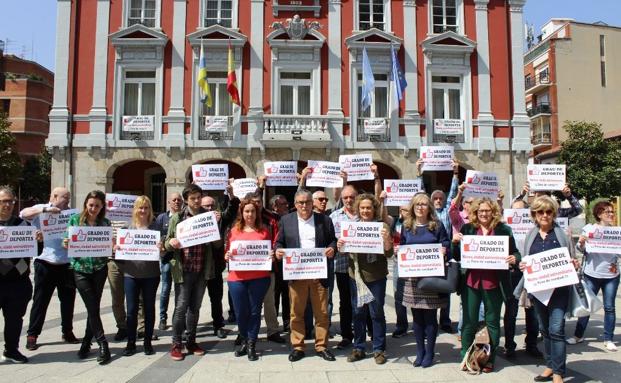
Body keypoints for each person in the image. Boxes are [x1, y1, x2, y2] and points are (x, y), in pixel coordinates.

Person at [452, 197, 520, 373]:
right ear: (475, 212)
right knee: (469, 322)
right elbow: (458, 256)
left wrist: (515, 258)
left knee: (492, 322)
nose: (484, 213)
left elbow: (515, 253)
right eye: (480, 210)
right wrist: (455, 243)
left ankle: (489, 360)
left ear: (493, 212)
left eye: (487, 210)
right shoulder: (467, 229)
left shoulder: (504, 230)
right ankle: (466, 357)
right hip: (471, 283)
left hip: (494, 283)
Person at [518, 196, 579, 383]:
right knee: (544, 330)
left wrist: (574, 264)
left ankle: (559, 372)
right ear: (534, 214)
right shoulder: (530, 235)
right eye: (540, 212)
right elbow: (525, 258)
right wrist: (523, 265)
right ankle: (550, 365)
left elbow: (573, 259)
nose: (545, 215)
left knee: (557, 329)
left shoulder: (562, 234)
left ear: (553, 213)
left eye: (548, 211)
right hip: (538, 291)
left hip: (559, 290)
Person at [275, 189, 338, 362]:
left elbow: (333, 240)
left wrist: (332, 248)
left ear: (313, 203)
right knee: (296, 313)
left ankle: (322, 346)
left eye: (307, 202)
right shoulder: (286, 220)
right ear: (295, 205)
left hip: (319, 274)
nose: (304, 205)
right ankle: (298, 346)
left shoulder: (324, 220)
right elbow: (279, 242)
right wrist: (277, 251)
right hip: (297, 274)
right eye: (300, 202)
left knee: (322, 313)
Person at [165, 184, 222, 361]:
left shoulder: (208, 217)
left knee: (195, 308)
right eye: (193, 198)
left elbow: (217, 245)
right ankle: (176, 343)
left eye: (198, 197)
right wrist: (171, 242)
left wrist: (216, 226)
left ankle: (191, 340)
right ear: (186, 200)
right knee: (181, 307)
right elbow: (167, 243)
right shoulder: (177, 218)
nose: (196, 201)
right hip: (184, 270)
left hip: (201, 269)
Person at [337, 193, 394, 365]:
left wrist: (386, 241)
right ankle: (359, 347)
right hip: (357, 277)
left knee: (376, 313)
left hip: (376, 277)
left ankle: (379, 349)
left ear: (374, 209)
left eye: (369, 207)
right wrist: (341, 246)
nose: (365, 210)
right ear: (358, 209)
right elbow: (345, 252)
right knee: (358, 313)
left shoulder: (382, 226)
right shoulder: (351, 227)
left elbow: (389, 253)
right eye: (362, 208)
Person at [21, 187, 80, 350]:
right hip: (45, 263)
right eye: (64, 197)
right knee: (40, 301)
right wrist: (46, 209)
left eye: (68, 197)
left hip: (67, 264)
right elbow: (23, 213)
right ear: (54, 197)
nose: (67, 200)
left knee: (68, 301)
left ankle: (67, 331)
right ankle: (32, 334)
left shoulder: (71, 214)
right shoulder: (41, 210)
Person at [400, 193, 450, 367]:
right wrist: (401, 251)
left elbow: (446, 243)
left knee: (430, 317)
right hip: (413, 278)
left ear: (429, 207)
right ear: (413, 207)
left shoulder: (436, 225)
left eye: (424, 204)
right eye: (417, 205)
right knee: (417, 318)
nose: (420, 207)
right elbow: (404, 246)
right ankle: (420, 352)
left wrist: (444, 249)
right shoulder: (407, 226)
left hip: (431, 277)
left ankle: (430, 353)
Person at [63, 190, 112, 364]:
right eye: (91, 205)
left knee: (94, 307)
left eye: (97, 206)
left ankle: (86, 342)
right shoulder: (75, 220)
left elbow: (108, 245)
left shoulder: (105, 223)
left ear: (102, 207)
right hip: (80, 269)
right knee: (92, 306)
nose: (93, 208)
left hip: (99, 268)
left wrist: (113, 245)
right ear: (86, 204)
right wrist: (66, 242)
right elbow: (65, 239)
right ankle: (103, 343)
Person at [225, 198, 273, 361]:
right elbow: (228, 251)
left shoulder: (264, 231)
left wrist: (271, 256)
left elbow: (270, 251)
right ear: (242, 213)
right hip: (236, 278)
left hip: (259, 278)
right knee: (240, 313)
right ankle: (244, 340)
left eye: (252, 211)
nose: (250, 214)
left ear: (257, 213)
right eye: (247, 211)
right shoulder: (233, 231)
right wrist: (227, 255)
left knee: (254, 312)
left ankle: (251, 344)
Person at [567, 201, 619, 351]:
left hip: (611, 275)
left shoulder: (616, 231)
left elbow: (617, 252)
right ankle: (578, 335)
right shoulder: (589, 229)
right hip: (592, 274)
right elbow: (581, 249)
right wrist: (581, 243)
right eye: (607, 212)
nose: (611, 215)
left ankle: (608, 338)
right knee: (586, 305)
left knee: (609, 307)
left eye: (612, 212)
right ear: (599, 214)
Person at [0, 185, 39, 363]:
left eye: (10, 201)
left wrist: (39, 241)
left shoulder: (23, 225)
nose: (7, 205)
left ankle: (11, 350)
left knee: (15, 319)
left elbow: (36, 251)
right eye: (3, 201)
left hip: (18, 282)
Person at [422, 159, 459, 334]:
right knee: (431, 287)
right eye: (435, 198)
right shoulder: (427, 214)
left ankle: (445, 320)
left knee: (445, 287)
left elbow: (453, 194)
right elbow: (420, 193)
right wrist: (419, 172)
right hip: (428, 256)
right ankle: (430, 320)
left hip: (446, 253)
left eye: (440, 198)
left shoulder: (446, 212)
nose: (437, 200)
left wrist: (456, 173)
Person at [120, 196, 161, 356]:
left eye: (146, 208)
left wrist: (161, 247)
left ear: (150, 210)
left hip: (151, 274)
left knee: (149, 308)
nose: (143, 211)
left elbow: (163, 248)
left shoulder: (155, 227)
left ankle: (147, 342)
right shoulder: (127, 228)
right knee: (131, 310)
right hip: (131, 274)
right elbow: (119, 251)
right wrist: (117, 246)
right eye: (140, 207)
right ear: (135, 209)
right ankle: (131, 343)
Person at [503, 198, 542, 358]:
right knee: (511, 311)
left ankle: (531, 344)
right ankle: (509, 346)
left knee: (532, 311)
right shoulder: (505, 228)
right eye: (514, 211)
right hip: (513, 273)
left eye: (521, 211)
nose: (517, 214)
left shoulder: (536, 228)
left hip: (532, 272)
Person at [247, 191, 286, 344]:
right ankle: (246, 332)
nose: (257, 205)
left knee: (269, 302)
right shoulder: (243, 219)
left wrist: (274, 250)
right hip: (247, 269)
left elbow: (278, 238)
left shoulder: (272, 219)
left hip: (268, 267)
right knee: (248, 303)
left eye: (259, 202)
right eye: (254, 202)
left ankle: (273, 331)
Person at [329, 185, 358, 349]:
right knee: (345, 302)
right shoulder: (334, 217)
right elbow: (329, 240)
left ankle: (366, 332)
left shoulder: (364, 215)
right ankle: (347, 335)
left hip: (363, 267)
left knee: (363, 301)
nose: (348, 200)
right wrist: (336, 243)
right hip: (342, 266)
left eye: (352, 197)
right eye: (345, 197)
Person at [154, 192, 183, 331]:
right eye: (174, 200)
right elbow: (157, 236)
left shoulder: (185, 218)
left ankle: (176, 318)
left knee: (179, 291)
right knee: (165, 290)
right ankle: (162, 318)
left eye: (179, 200)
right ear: (169, 202)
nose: (177, 202)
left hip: (180, 260)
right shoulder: (162, 218)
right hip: (166, 259)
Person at [201, 194, 228, 339]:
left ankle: (218, 326)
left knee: (216, 299)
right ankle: (188, 328)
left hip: (215, 267)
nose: (210, 208)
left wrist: (216, 225)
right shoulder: (193, 220)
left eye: (212, 205)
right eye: (206, 206)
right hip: (197, 267)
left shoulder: (220, 220)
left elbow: (218, 244)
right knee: (193, 302)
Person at [390, 204, 415, 338]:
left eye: (405, 209)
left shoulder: (416, 224)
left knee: (416, 294)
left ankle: (419, 326)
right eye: (400, 210)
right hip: (398, 262)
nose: (402, 212)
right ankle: (401, 326)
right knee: (398, 295)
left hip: (413, 263)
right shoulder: (395, 222)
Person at [269, 194, 291, 334]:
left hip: (289, 262)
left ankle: (288, 323)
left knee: (288, 295)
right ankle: (274, 325)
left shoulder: (290, 218)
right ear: (275, 206)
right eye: (283, 204)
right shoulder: (269, 219)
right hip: (274, 263)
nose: (286, 206)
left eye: (286, 203)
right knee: (274, 295)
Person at [513, 182, 583, 219]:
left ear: (549, 198)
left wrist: (569, 196)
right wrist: (522, 194)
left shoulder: (558, 213)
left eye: (542, 197)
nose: (540, 201)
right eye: (537, 196)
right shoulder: (529, 212)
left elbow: (578, 210)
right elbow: (513, 208)